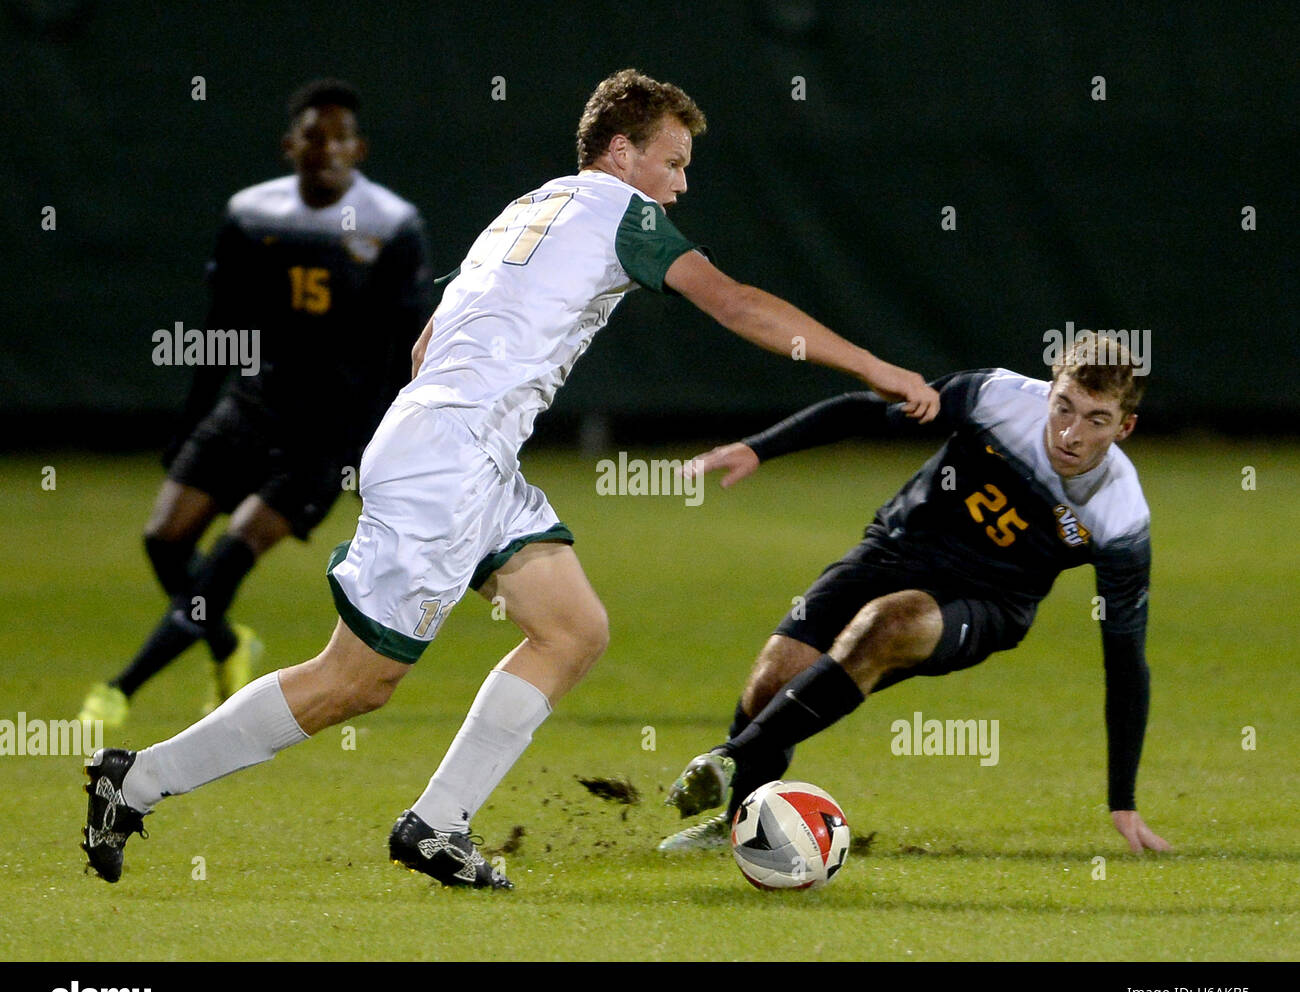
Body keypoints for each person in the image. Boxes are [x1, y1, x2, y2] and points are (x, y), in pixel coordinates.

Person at [81, 68, 938, 890]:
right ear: (617, 150)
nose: (679, 185)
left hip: (465, 452)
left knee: (571, 629)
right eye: (671, 162)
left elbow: (429, 335)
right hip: (447, 459)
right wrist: (873, 367)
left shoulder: (529, 206)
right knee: (357, 679)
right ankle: (136, 778)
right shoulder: (619, 211)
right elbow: (737, 302)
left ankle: (436, 824)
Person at [661, 335, 1170, 856]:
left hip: (988, 603)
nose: (1070, 432)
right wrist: (759, 447)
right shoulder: (994, 397)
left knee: (890, 623)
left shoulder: (1119, 515)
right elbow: (870, 414)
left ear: (1125, 427)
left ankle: (728, 759)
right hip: (896, 550)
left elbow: (1126, 659)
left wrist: (1122, 799)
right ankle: (737, 823)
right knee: (777, 671)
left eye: (1096, 420)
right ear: (1049, 393)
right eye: (1063, 407)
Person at [77, 79, 431, 728]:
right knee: (163, 539)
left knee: (227, 558)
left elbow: (404, 350)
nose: (326, 148)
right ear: (289, 144)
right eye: (313, 135)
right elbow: (221, 326)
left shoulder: (392, 225)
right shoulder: (250, 214)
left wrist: (377, 445)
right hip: (250, 405)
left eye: (340, 137)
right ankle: (229, 644)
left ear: (361, 149)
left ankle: (121, 688)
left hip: (327, 431)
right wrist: (190, 419)